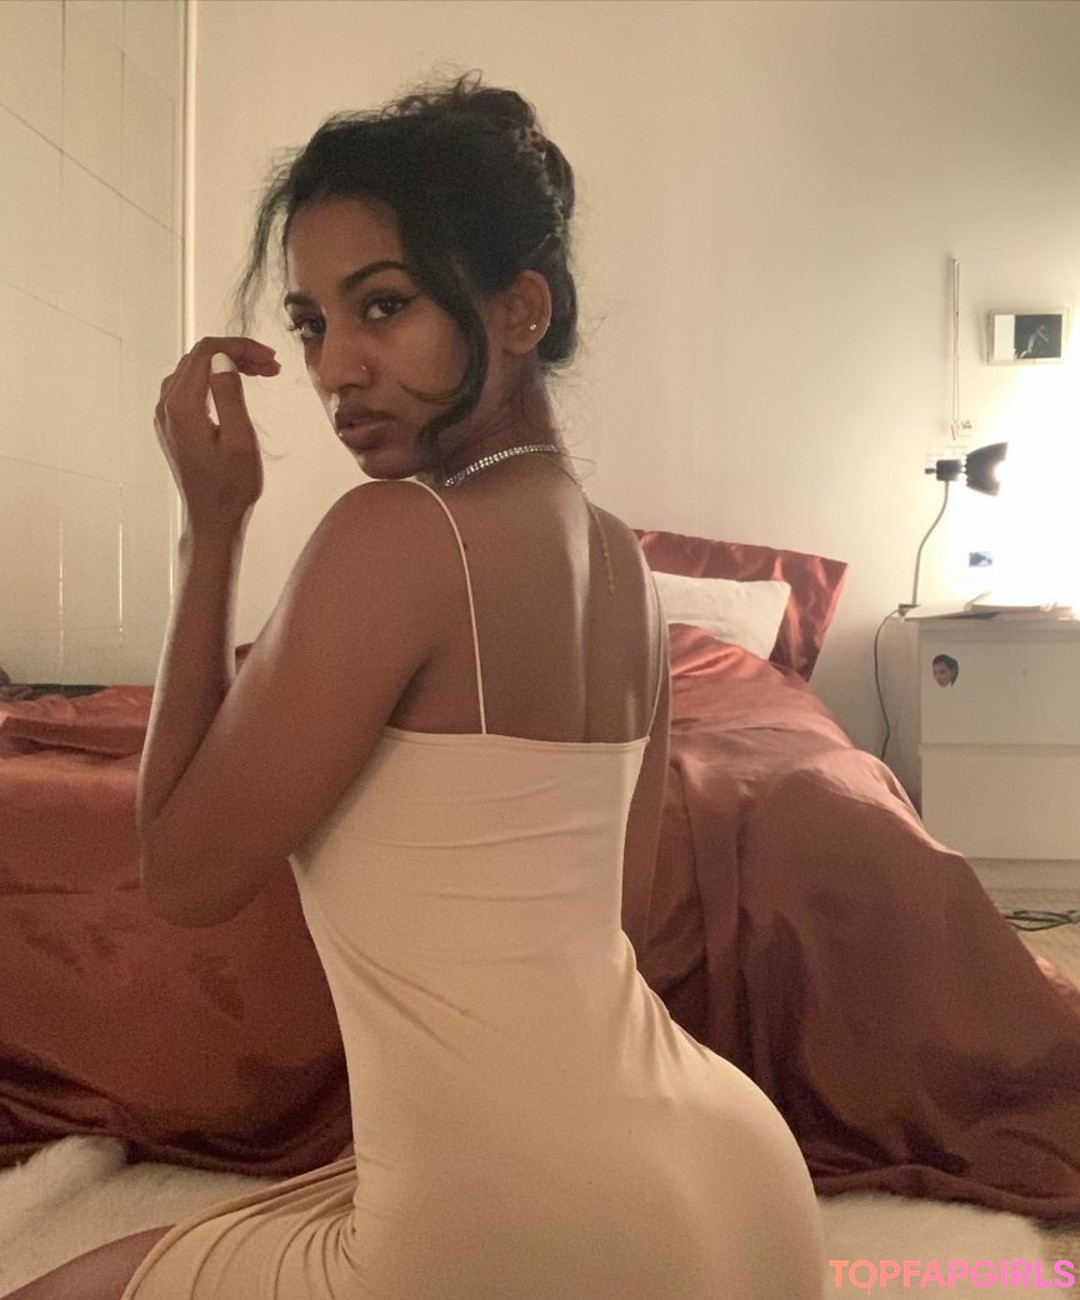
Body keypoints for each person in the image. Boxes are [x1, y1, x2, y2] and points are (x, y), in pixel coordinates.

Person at [14, 75, 823, 1299]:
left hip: (502, 1222)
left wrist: (210, 531)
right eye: (310, 323)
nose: (336, 366)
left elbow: (182, 873)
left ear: (519, 309)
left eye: (382, 306)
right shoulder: (624, 567)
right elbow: (614, 918)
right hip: (733, 1177)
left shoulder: (394, 536)